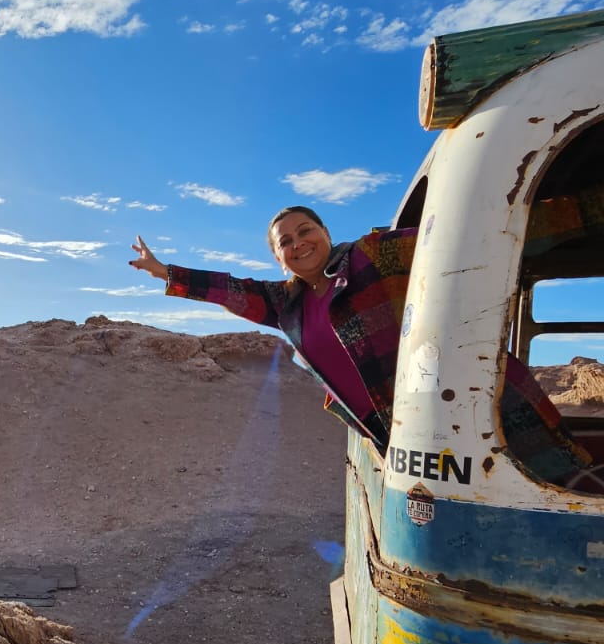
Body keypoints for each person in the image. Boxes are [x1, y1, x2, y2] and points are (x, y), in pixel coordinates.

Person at [129, 205, 591, 487]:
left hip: (471, 404)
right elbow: (230, 288)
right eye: (285, 242)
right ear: (277, 257)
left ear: (325, 232)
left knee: (553, 485)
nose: (298, 243)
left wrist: (583, 213)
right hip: (398, 434)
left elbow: (465, 239)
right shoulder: (285, 303)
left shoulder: (373, 256)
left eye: (305, 230)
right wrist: (165, 271)